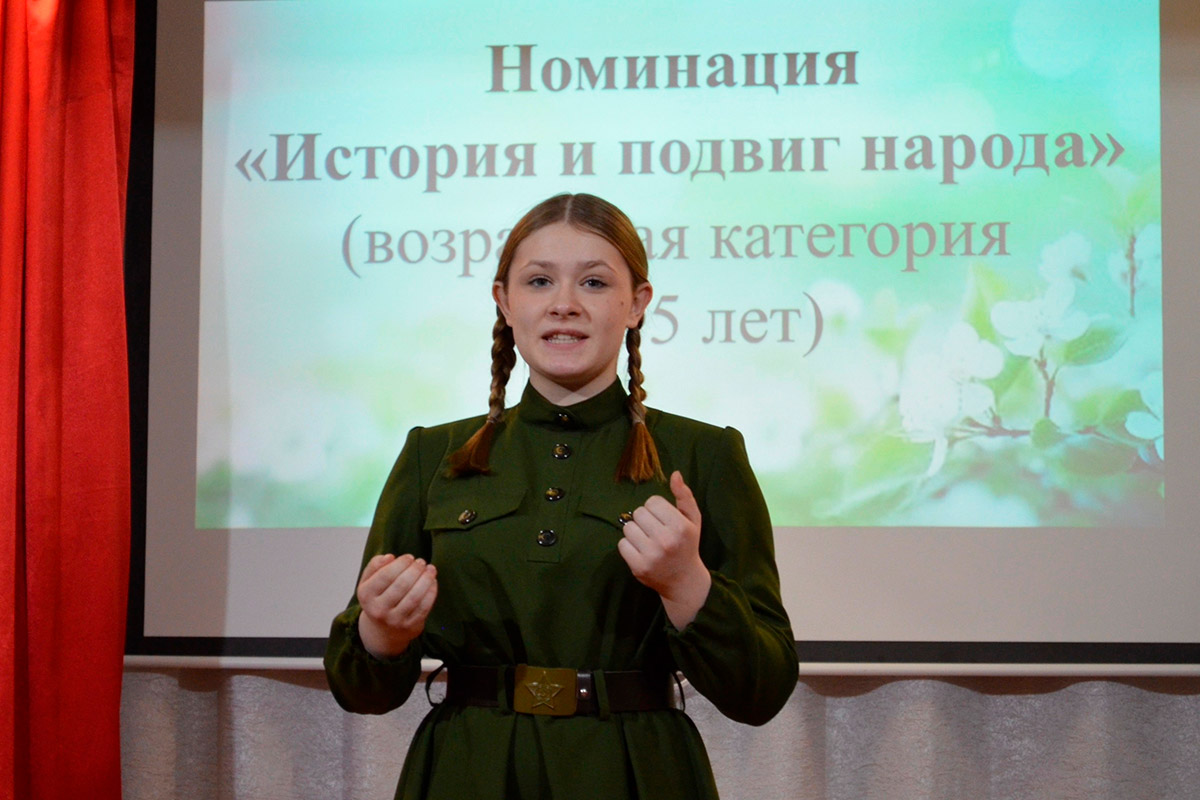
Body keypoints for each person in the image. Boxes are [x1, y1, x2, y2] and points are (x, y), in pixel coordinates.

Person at [325, 193, 798, 799]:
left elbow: (761, 693)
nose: (564, 304)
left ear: (637, 304)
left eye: (594, 282)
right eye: (539, 281)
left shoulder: (704, 454)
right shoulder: (432, 454)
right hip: (467, 772)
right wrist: (382, 632)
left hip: (636, 773)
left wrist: (687, 584)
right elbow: (360, 691)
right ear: (504, 301)